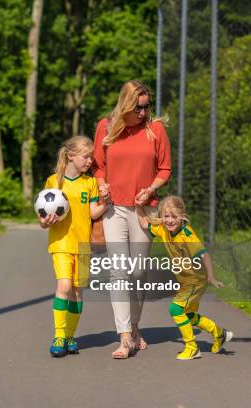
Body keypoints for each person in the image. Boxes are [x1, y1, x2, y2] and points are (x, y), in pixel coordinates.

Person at [93, 80, 171, 359]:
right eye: (138, 107)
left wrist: (151, 189)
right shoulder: (106, 127)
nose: (143, 112)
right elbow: (98, 167)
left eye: (147, 106)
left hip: (144, 211)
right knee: (119, 272)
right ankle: (124, 337)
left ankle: (136, 327)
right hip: (113, 209)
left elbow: (165, 167)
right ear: (125, 105)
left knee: (137, 273)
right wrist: (102, 185)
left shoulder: (155, 129)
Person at [136, 196, 234, 360]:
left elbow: (204, 255)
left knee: (175, 309)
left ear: (182, 215)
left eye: (174, 216)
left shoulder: (187, 235)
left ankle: (192, 347)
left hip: (195, 280)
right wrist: (137, 206)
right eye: (166, 216)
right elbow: (145, 223)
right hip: (186, 281)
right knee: (188, 316)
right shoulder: (163, 229)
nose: (170, 220)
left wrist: (211, 277)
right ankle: (219, 333)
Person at [39, 135, 108, 358]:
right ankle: (58, 336)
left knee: (77, 292)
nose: (89, 161)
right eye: (86, 157)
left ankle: (70, 336)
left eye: (91, 157)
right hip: (60, 243)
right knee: (65, 286)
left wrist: (106, 202)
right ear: (70, 155)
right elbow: (43, 214)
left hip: (83, 245)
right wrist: (44, 222)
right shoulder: (54, 182)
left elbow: (92, 212)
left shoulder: (89, 183)